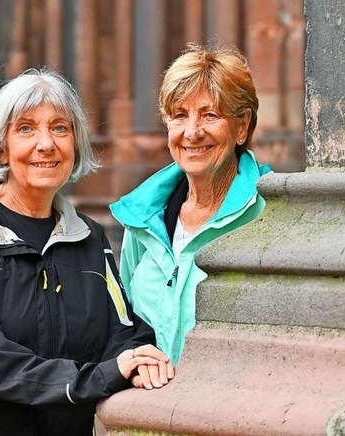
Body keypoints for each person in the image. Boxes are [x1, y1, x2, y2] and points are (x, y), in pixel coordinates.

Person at [0, 68, 173, 436]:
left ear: (75, 145)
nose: (46, 143)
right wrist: (98, 378)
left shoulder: (87, 237)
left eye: (60, 128)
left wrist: (141, 360)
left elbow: (123, 332)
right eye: (26, 128)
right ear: (2, 148)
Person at [110, 44, 272, 364]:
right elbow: (126, 325)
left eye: (210, 115)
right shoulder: (143, 218)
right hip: (149, 407)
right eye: (179, 115)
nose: (192, 132)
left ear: (241, 126)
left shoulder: (270, 212)